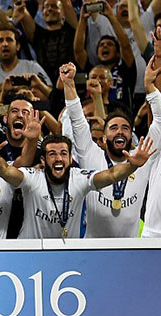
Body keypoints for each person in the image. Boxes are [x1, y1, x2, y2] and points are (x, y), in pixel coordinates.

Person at [0, 125, 155, 239]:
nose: (58, 158)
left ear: (70, 159)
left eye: (63, 153)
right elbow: (5, 171)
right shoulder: (32, 178)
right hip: (30, 253)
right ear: (44, 160)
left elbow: (111, 175)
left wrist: (132, 167)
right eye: (52, 154)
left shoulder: (80, 179)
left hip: (67, 255)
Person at [62, 61, 161, 237]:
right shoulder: (91, 155)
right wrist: (69, 84)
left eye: (125, 128)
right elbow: (77, 120)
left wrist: (150, 88)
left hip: (130, 250)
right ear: (104, 136)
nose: (120, 132)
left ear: (131, 136)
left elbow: (159, 120)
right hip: (93, 250)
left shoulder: (142, 156)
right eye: (113, 128)